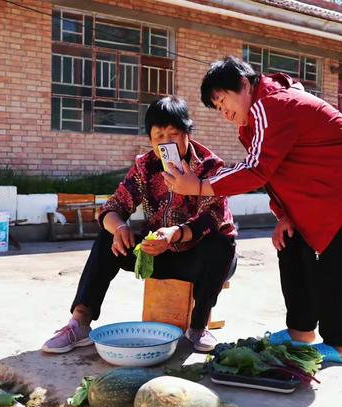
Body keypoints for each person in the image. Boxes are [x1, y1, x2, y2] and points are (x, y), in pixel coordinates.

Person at [163, 57, 342, 363]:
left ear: (244, 85)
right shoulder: (253, 122)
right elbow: (274, 173)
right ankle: (301, 331)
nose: (224, 112)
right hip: (322, 191)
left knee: (333, 261)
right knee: (291, 244)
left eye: (223, 100)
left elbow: (256, 169)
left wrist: (200, 185)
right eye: (217, 108)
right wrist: (282, 215)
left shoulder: (272, 105)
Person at [42, 96, 236, 354]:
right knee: (106, 237)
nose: (166, 142)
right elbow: (112, 208)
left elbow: (211, 218)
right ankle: (79, 323)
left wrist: (175, 234)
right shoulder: (145, 166)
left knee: (221, 243)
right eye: (159, 136)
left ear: (187, 133)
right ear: (151, 140)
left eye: (174, 134)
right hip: (158, 255)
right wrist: (120, 228)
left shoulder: (209, 166)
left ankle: (198, 327)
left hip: (200, 259)